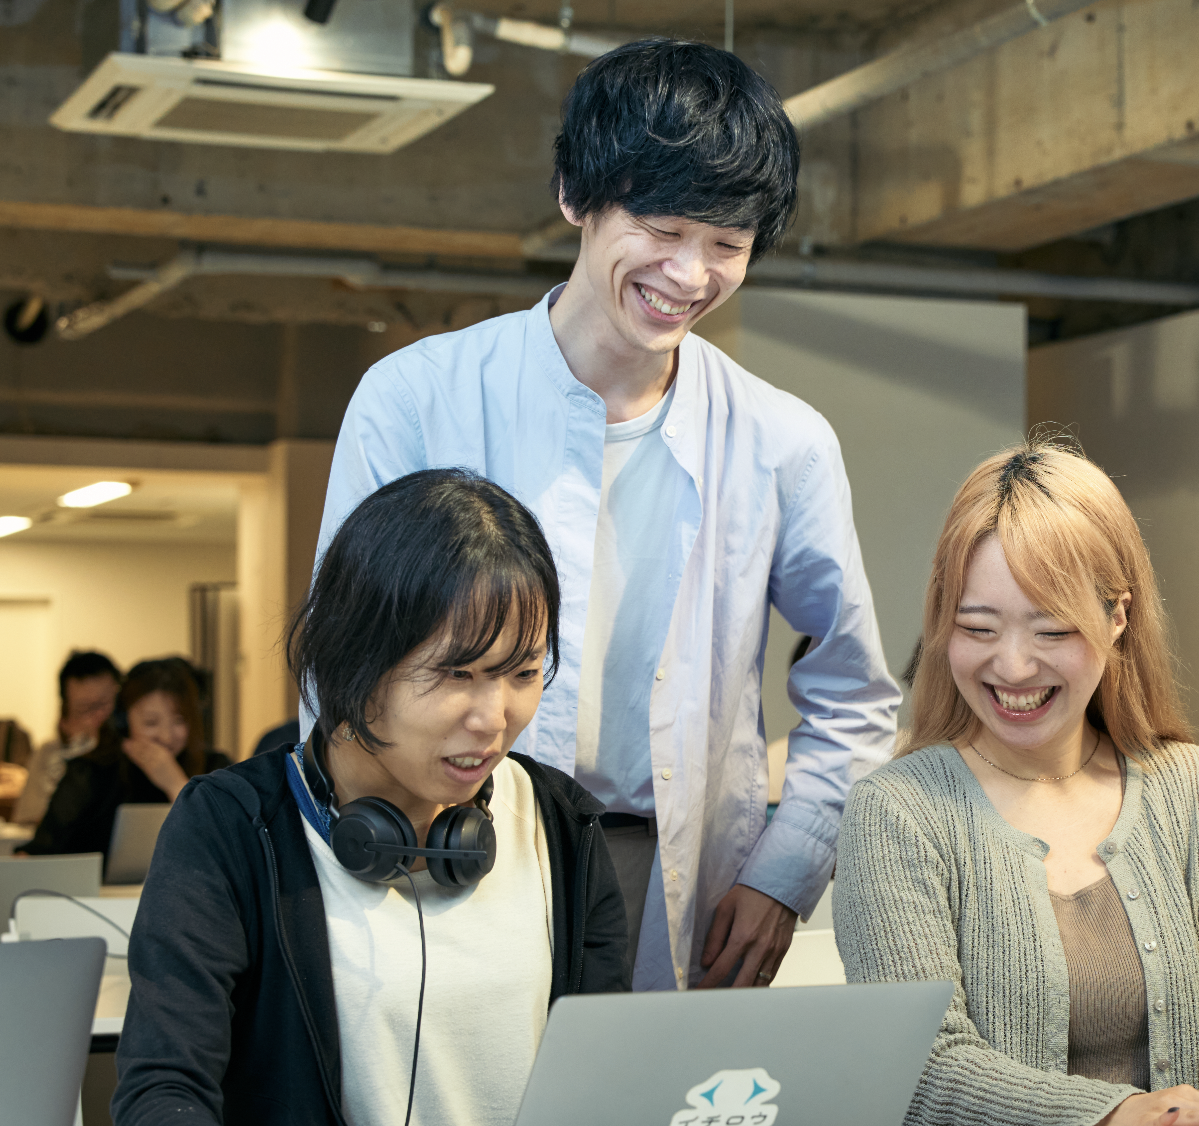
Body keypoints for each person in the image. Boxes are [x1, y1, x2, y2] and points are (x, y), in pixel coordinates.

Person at [318, 37, 898, 993]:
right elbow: (338, 667)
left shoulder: (782, 441)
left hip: (683, 882)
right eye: (665, 227)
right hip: (442, 853)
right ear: (575, 196)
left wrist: (787, 872)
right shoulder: (419, 396)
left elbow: (857, 693)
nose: (690, 273)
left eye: (728, 245)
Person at [111, 469, 628, 1126]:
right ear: (356, 665)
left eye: (521, 674)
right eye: (455, 674)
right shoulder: (230, 827)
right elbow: (153, 1112)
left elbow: (610, 1089)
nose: (494, 718)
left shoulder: (559, 820)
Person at [835, 440, 1199, 1126]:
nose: (1012, 666)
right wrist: (1112, 1116)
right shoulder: (897, 812)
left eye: (1052, 629)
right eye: (978, 628)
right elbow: (922, 1073)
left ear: (1117, 618)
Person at [26, 657, 231, 864]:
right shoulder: (91, 772)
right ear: (123, 721)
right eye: (151, 722)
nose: (166, 736)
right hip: (98, 895)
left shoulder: (216, 768)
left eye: (179, 721)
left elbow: (230, 846)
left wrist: (175, 784)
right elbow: (40, 851)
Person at [11, 650, 120, 827]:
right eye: (85, 709)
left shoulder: (133, 752)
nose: (98, 718)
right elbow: (28, 821)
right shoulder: (48, 754)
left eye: (105, 705)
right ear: (65, 713)